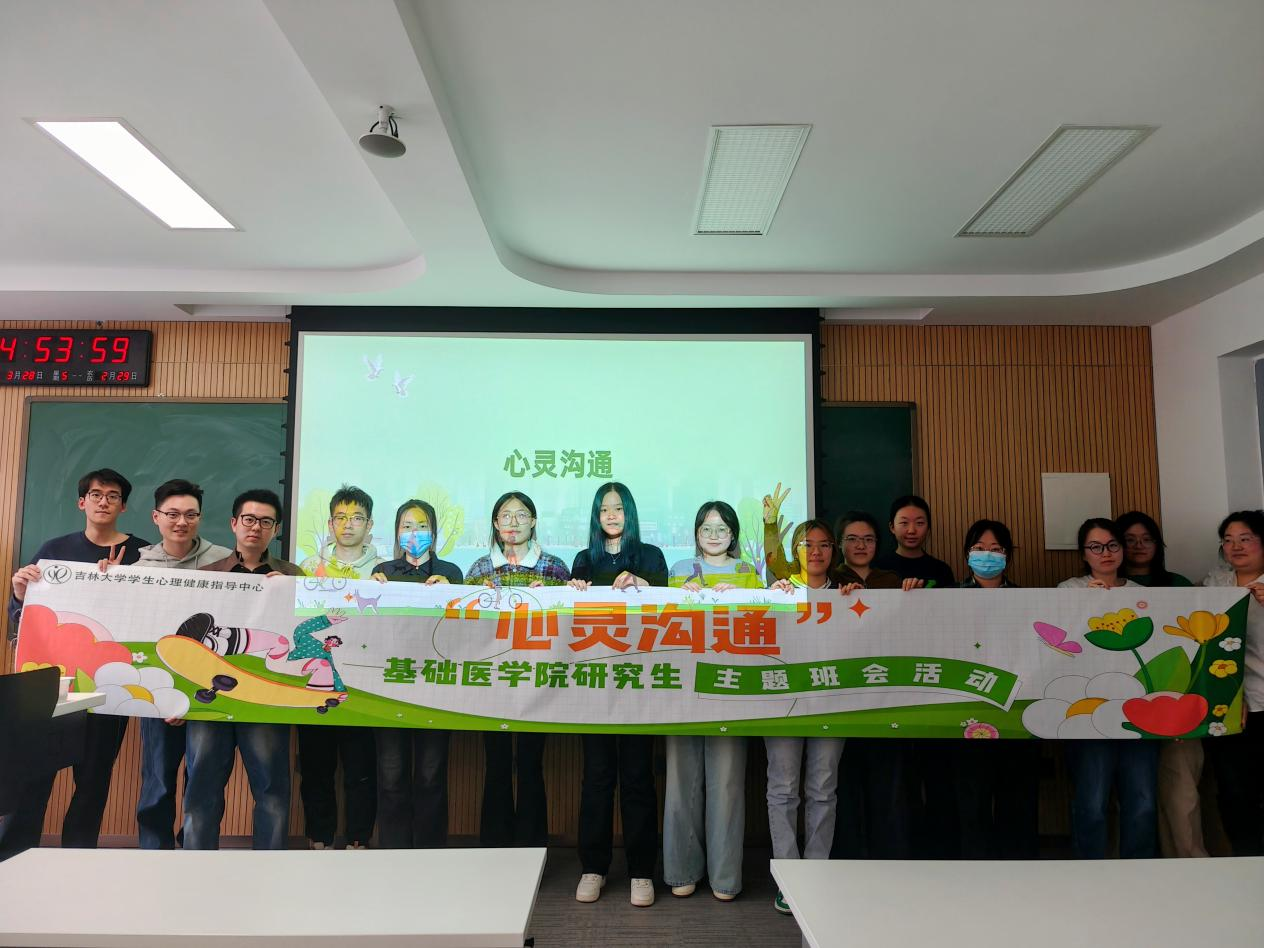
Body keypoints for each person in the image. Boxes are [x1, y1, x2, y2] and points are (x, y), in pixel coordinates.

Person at [0, 469, 149, 858]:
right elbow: (22, 622)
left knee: (94, 779)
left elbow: (153, 616)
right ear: (82, 502)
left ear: (123, 506)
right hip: (53, 685)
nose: (103, 501)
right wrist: (20, 594)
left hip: (109, 685)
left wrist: (122, 583)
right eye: (96, 494)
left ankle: (77, 859)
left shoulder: (142, 554)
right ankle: (15, 856)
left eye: (113, 496)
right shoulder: (54, 550)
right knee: (34, 774)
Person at [181, 489, 301, 851]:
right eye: (248, 519)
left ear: (276, 529)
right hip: (210, 701)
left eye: (265, 521)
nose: (255, 527)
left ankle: (270, 868)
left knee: (271, 790)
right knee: (201, 789)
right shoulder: (206, 575)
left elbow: (306, 637)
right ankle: (197, 866)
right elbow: (187, 642)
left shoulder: (293, 577)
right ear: (234, 523)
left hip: (265, 699)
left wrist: (290, 595)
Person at [568, 482, 667, 908]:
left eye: (618, 508)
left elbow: (670, 610)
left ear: (630, 512)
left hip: (639, 683)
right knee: (596, 779)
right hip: (594, 685)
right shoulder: (583, 559)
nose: (611, 515)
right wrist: (572, 592)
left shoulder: (652, 557)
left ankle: (641, 871)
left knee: (638, 779)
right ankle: (593, 867)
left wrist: (643, 584)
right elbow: (569, 619)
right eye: (604, 509)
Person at [664, 501, 760, 902]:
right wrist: (679, 598)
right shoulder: (678, 570)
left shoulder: (749, 573)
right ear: (696, 533)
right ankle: (682, 869)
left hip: (731, 686)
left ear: (733, 534)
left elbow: (767, 623)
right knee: (680, 781)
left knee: (727, 783)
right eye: (707, 528)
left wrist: (744, 597)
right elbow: (661, 624)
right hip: (683, 686)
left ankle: (725, 876)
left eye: (722, 529)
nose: (715, 535)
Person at [130, 478, 233, 850]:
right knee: (158, 779)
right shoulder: (137, 567)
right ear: (156, 517)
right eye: (172, 514)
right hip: (157, 688)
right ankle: (154, 851)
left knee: (204, 780)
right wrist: (167, 696)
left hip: (207, 687)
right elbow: (134, 631)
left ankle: (194, 850)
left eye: (191, 514)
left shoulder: (225, 561)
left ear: (200, 518)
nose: (182, 522)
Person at [465, 492, 569, 849]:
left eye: (521, 515)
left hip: (538, 681)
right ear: (496, 524)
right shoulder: (479, 569)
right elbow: (465, 627)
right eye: (506, 516)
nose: (513, 522)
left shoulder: (554, 568)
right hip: (492, 682)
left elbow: (569, 624)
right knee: (495, 764)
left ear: (534, 521)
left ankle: (531, 848)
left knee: (530, 764)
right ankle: (495, 849)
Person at [1057, 517, 1155, 859]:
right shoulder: (1068, 590)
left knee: (1142, 802)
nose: (1106, 553)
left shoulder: (1144, 595)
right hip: (1089, 713)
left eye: (1112, 545)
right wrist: (1085, 604)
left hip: (1138, 712)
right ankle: (1089, 872)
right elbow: (1057, 647)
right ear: (1083, 554)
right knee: (1092, 803)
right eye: (1096, 547)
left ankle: (1138, 870)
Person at [764, 520, 845, 914]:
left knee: (823, 788)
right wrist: (768, 598)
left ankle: (816, 871)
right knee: (782, 789)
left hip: (832, 702)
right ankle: (789, 877)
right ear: (794, 550)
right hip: (783, 702)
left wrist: (857, 605)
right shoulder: (779, 591)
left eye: (824, 544)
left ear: (833, 551)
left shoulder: (847, 594)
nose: (816, 551)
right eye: (806, 544)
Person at [296, 486, 383, 850]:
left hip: (365, 682)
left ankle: (358, 838)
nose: (349, 525)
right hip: (315, 679)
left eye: (357, 518)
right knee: (316, 765)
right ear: (330, 524)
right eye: (341, 518)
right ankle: (319, 837)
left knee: (360, 768)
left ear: (370, 525)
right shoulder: (307, 568)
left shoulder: (384, 571)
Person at [372, 499, 461, 849]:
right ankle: (393, 853)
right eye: (406, 526)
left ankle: (429, 852)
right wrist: (370, 590)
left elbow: (464, 631)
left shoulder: (451, 572)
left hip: (436, 688)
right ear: (396, 532)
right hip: (390, 686)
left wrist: (450, 592)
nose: (414, 533)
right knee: (391, 776)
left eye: (421, 526)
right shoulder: (382, 571)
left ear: (433, 532)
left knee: (430, 775)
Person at [1115, 510, 1203, 858]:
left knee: (1181, 793)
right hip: (1121, 706)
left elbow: (1197, 643)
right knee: (1132, 797)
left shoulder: (1178, 585)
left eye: (1147, 539)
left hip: (1177, 705)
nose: (1139, 546)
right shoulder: (1103, 588)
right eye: (1130, 540)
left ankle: (1188, 863)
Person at [953, 519, 1039, 859]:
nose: (987, 555)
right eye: (979, 549)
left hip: (1017, 712)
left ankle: (1018, 872)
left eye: (995, 549)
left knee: (1017, 799)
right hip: (965, 714)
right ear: (966, 554)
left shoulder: (1028, 600)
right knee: (971, 800)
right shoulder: (947, 599)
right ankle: (975, 872)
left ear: (1007, 556)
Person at [1203, 510, 1264, 856]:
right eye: (1228, 540)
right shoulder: (1215, 586)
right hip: (1227, 705)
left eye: (1245, 539)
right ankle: (1246, 861)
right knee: (1234, 791)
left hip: (1263, 701)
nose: (1235, 546)